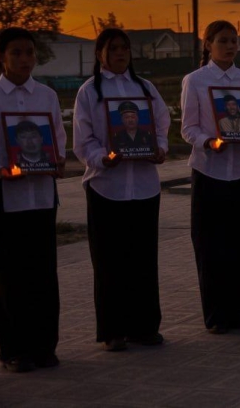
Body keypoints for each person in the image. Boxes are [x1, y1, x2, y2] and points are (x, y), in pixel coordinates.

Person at [0, 27, 66, 373]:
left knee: (43, 274)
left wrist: (57, 161)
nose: (25, 59)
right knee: (11, 277)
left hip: (42, 196)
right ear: (1, 57)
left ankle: (44, 346)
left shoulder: (47, 96)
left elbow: (57, 137)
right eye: (17, 53)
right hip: (7, 198)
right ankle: (13, 350)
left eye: (29, 52)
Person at [73, 28, 169, 352]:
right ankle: (113, 330)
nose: (120, 53)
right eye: (113, 48)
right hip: (106, 186)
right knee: (109, 261)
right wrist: (102, 158)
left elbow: (162, 124)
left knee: (143, 259)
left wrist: (160, 148)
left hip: (143, 186)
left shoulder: (145, 88)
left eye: (124, 48)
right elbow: (83, 141)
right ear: (100, 52)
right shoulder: (89, 92)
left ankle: (144, 327)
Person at [181, 20, 240, 334]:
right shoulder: (195, 80)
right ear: (208, 44)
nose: (230, 46)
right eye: (223, 40)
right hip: (209, 170)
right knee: (211, 245)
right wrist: (209, 141)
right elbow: (187, 128)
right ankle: (217, 314)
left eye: (234, 41)